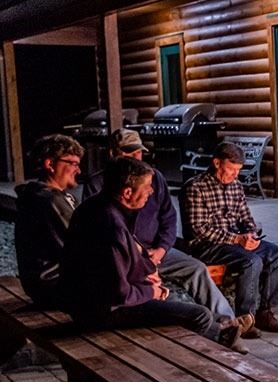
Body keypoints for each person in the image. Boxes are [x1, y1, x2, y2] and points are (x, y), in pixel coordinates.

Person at [82, 129, 251, 353]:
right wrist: (147, 277)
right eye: (128, 153)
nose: (135, 158)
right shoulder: (104, 202)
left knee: (197, 268)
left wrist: (161, 249)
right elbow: (119, 273)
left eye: (138, 153)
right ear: (113, 154)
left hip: (156, 252)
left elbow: (169, 219)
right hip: (121, 282)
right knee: (194, 314)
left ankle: (228, 322)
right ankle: (219, 335)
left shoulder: (153, 179)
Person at [181, 142, 278, 333]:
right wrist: (237, 239)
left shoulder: (236, 186)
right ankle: (245, 318)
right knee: (252, 261)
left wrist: (251, 234)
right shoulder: (196, 187)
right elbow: (199, 230)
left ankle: (266, 312)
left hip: (236, 241)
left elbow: (246, 218)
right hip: (207, 245)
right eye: (231, 169)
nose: (235, 174)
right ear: (217, 163)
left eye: (238, 170)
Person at [15, 134, 83, 308]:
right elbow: (81, 243)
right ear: (50, 164)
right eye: (73, 164)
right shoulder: (48, 201)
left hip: (50, 284)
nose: (78, 171)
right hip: (56, 284)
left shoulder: (54, 196)